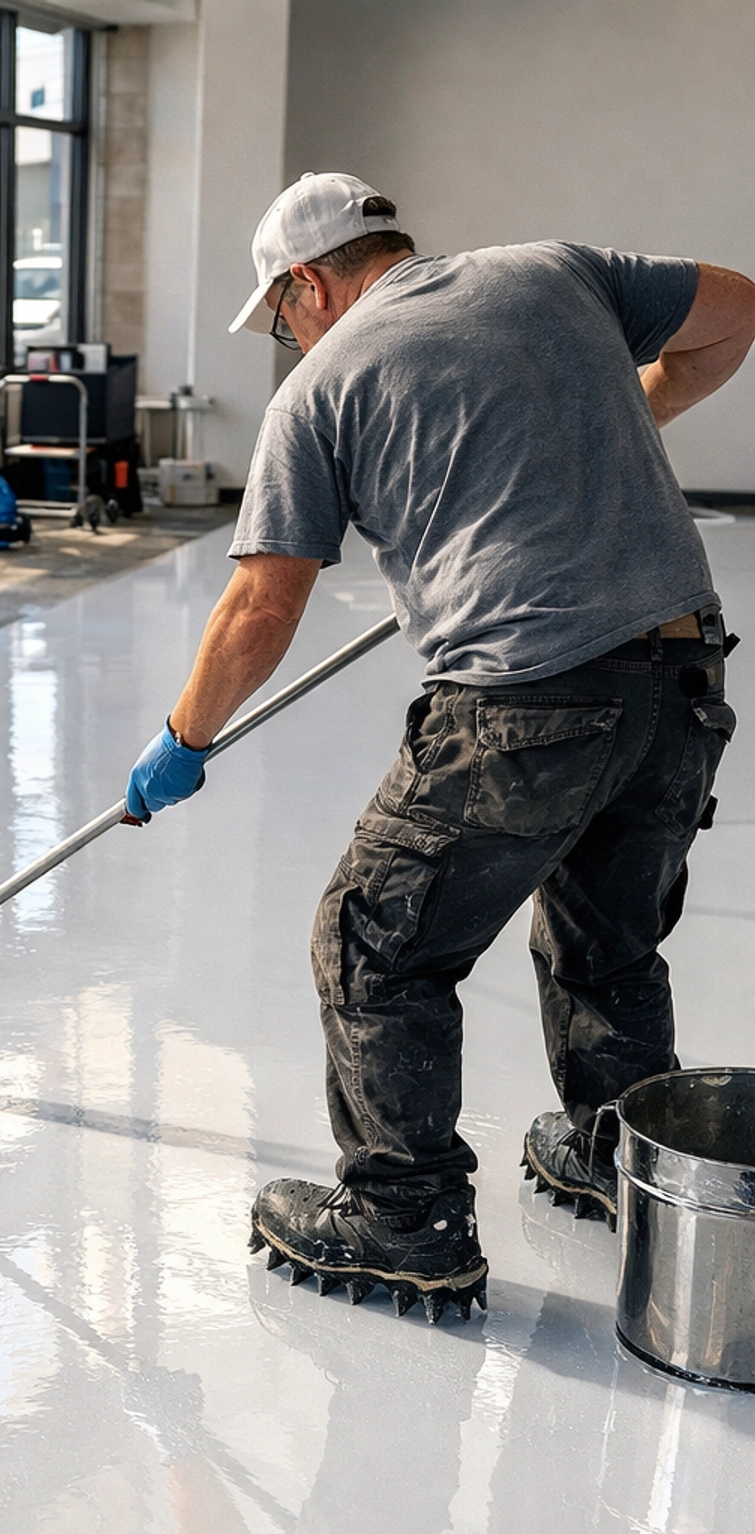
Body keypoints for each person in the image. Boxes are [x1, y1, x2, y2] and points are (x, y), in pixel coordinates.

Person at [124, 171, 755, 1322]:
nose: (284, 337)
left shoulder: (319, 390)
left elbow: (262, 607)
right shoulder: (554, 269)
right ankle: (619, 1159)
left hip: (526, 700)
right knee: (607, 936)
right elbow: (738, 309)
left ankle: (403, 1219)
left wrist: (183, 738)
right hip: (681, 680)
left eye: (278, 314)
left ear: (309, 283)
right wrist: (626, 415)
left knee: (373, 945)